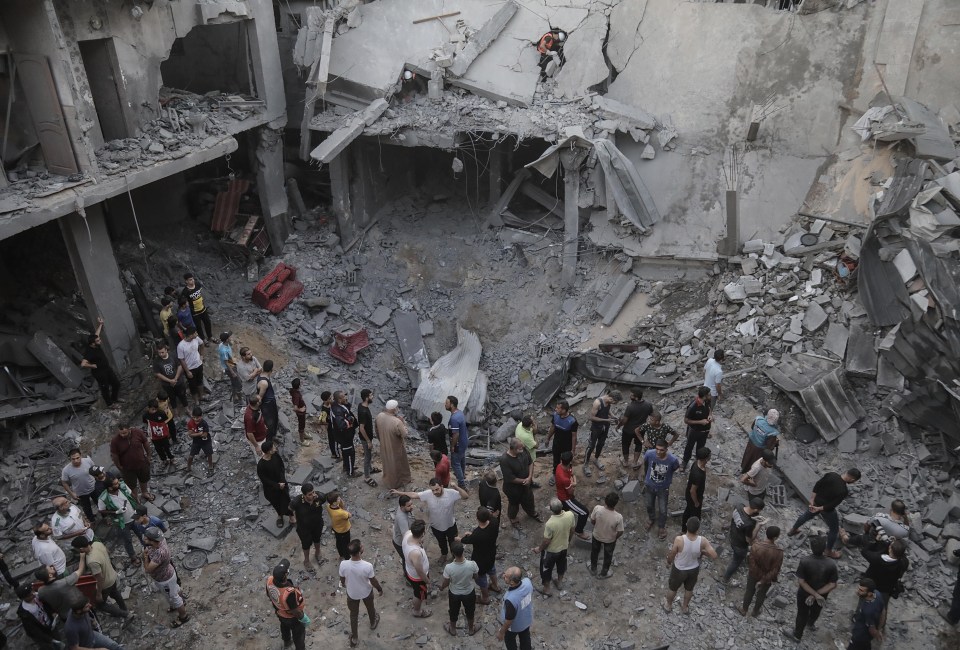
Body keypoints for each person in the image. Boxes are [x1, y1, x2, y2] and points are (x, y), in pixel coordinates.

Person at [788, 468, 861, 558]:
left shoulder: (831, 475)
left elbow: (818, 485)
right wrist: (819, 509)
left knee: (806, 516)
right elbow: (832, 505)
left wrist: (812, 500)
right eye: (854, 481)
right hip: (826, 510)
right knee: (834, 530)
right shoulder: (843, 490)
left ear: (847, 472)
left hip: (816, 502)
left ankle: (793, 530)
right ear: (852, 480)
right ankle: (828, 551)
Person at [392, 479, 469, 563]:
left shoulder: (451, 493)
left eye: (437, 489)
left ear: (442, 486)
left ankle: (455, 556)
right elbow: (414, 495)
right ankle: (444, 554)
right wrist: (400, 493)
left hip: (450, 525)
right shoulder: (428, 494)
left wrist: (456, 487)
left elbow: (465, 496)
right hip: (436, 526)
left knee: (453, 542)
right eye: (433, 490)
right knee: (441, 542)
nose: (434, 492)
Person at [783, 536, 838, 642]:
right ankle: (810, 623)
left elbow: (801, 581)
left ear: (811, 548)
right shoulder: (831, 564)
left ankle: (797, 635)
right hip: (823, 594)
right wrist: (817, 595)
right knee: (817, 609)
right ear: (824, 548)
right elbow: (832, 584)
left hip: (804, 594)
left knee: (802, 613)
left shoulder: (805, 561)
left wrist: (813, 594)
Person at [664, 516, 718, 614]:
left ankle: (668, 605)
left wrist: (669, 561)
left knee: (673, 588)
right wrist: (703, 552)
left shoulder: (679, 539)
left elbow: (673, 553)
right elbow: (714, 555)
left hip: (679, 569)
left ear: (686, 525)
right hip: (693, 569)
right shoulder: (703, 540)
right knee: (689, 589)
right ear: (698, 529)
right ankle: (685, 607)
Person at [70, 536, 128, 619]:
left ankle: (125, 614)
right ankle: (124, 609)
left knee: (101, 605)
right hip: (112, 575)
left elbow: (100, 578)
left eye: (77, 549)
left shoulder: (91, 561)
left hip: (105, 584)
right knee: (115, 593)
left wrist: (99, 593)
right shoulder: (97, 544)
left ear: (81, 549)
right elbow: (107, 552)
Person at [143, 527, 189, 627]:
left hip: (164, 579)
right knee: (175, 590)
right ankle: (180, 603)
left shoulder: (159, 553)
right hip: (170, 572)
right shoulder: (161, 540)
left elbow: (148, 569)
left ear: (152, 541)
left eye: (146, 538)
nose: (144, 539)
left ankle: (183, 616)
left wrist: (146, 557)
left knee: (173, 597)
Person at [339, 539, 382, 647]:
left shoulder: (343, 564)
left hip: (352, 593)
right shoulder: (367, 566)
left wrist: (344, 584)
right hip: (366, 592)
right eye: (362, 546)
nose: (363, 546)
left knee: (353, 615)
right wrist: (379, 588)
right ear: (359, 552)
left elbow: (342, 578)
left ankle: (354, 638)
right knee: (370, 608)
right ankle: (373, 622)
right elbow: (373, 581)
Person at [861, 539, 908, 629]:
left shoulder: (877, 559)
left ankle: (859, 618)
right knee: (883, 608)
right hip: (886, 589)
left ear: (890, 549)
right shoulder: (903, 563)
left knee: (864, 601)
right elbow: (901, 556)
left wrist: (876, 542)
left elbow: (865, 551)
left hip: (871, 585)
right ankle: (880, 626)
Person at [531, 498, 574, 596]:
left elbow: (546, 541)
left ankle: (547, 589)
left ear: (551, 509)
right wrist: (568, 541)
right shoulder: (570, 515)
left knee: (546, 568)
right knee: (561, 564)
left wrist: (539, 549)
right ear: (562, 506)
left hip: (552, 551)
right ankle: (559, 583)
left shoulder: (550, 523)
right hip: (564, 547)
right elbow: (572, 530)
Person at [458, 507, 501, 604]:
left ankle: (485, 598)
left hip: (480, 561)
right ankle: (495, 586)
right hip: (491, 554)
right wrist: (472, 535)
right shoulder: (494, 522)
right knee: (492, 570)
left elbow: (466, 540)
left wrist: (459, 539)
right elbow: (476, 537)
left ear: (477, 519)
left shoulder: (477, 534)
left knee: (481, 579)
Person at [739, 526, 784, 617]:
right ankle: (755, 612)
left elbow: (751, 563)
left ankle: (744, 609)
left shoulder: (756, 546)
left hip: (753, 575)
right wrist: (763, 580)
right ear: (775, 538)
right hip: (766, 578)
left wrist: (757, 575)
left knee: (749, 591)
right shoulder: (779, 552)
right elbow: (775, 570)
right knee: (761, 595)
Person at [642, 438, 680, 540]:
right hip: (650, 485)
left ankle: (661, 526)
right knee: (649, 505)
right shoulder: (649, 454)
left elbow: (676, 468)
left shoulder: (672, 460)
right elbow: (646, 464)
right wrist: (647, 477)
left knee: (663, 510)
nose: (658, 452)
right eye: (657, 449)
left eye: (662, 450)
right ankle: (651, 518)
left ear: (666, 449)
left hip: (663, 488)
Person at [97, 475, 139, 565]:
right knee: (127, 540)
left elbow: (131, 494)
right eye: (116, 484)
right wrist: (115, 512)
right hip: (122, 523)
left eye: (117, 482)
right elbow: (101, 510)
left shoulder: (123, 486)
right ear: (110, 488)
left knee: (141, 533)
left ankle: (149, 549)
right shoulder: (103, 498)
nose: (118, 484)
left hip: (134, 517)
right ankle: (133, 557)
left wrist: (138, 506)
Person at [266, 559, 306, 650]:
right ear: (285, 576)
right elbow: (295, 611)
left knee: (284, 626)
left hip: (279, 612)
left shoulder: (269, 581)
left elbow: (269, 595)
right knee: (298, 635)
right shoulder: (289, 593)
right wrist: (303, 618)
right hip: (292, 618)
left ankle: (287, 642)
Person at [723, 497, 766, 583]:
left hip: (732, 535)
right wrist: (758, 526)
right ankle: (726, 578)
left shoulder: (739, 506)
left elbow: (740, 517)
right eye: (759, 511)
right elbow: (749, 540)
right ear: (756, 510)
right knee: (736, 562)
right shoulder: (749, 524)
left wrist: (754, 517)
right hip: (740, 545)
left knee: (735, 555)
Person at [441, 542, 479, 637]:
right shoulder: (472, 564)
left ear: (453, 553)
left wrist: (441, 587)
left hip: (454, 593)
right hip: (469, 592)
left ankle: (452, 629)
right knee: (470, 611)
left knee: (453, 611)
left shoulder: (449, 568)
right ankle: (471, 629)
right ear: (463, 551)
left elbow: (446, 582)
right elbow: (476, 577)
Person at [500, 438, 540, 528]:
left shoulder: (523, 450)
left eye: (522, 448)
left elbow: (530, 463)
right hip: (513, 489)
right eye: (519, 449)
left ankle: (531, 512)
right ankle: (513, 518)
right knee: (514, 504)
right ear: (513, 448)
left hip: (526, 485)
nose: (522, 450)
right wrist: (524, 481)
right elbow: (510, 478)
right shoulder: (505, 460)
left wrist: (529, 477)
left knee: (529, 499)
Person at [80, 317, 120, 405]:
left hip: (107, 369)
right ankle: (110, 404)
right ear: (93, 343)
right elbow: (83, 364)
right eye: (98, 341)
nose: (100, 341)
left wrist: (101, 324)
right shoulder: (89, 351)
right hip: (100, 373)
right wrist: (92, 366)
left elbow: (96, 334)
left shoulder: (96, 343)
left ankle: (114, 399)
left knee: (116, 383)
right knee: (105, 388)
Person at [841, 499, 910, 550]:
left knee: (861, 538)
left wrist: (866, 533)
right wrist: (905, 518)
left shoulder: (879, 517)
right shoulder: (904, 530)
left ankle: (846, 539)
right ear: (903, 513)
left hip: (873, 541)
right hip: (886, 547)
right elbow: (907, 527)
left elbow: (867, 525)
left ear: (891, 509)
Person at [35, 556, 87, 622]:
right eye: (50, 568)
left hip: (64, 616)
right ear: (50, 575)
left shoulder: (41, 591)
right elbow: (80, 570)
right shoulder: (66, 582)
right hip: (79, 612)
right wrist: (82, 557)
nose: (52, 567)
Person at [258, 440, 294, 529]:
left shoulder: (275, 456)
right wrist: (277, 485)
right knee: (276, 503)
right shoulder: (261, 465)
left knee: (286, 499)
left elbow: (282, 467)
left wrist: (282, 481)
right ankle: (280, 515)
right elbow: (265, 480)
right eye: (273, 447)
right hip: (271, 489)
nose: (275, 448)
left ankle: (291, 516)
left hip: (282, 484)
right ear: (269, 451)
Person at [376, 400, 412, 489]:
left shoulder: (379, 416)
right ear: (394, 409)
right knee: (398, 465)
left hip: (384, 445)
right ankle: (398, 482)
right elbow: (405, 434)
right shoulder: (397, 422)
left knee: (387, 464)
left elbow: (376, 430)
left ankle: (387, 479)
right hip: (395, 448)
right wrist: (403, 423)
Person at [584, 390, 621, 475]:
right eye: (614, 402)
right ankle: (585, 465)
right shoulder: (598, 403)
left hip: (605, 427)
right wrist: (606, 420)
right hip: (596, 427)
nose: (614, 403)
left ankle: (596, 459)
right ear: (611, 398)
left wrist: (614, 417)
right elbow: (592, 417)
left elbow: (608, 410)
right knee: (591, 446)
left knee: (601, 444)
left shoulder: (608, 402)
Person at [555, 451, 590, 541]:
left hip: (562, 493)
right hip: (566, 498)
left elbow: (571, 474)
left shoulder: (560, 466)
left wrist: (572, 481)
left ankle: (563, 525)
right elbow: (570, 492)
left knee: (565, 512)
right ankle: (578, 531)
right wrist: (574, 483)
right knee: (584, 512)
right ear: (570, 461)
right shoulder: (564, 479)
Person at [290, 483, 325, 570]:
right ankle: (306, 560)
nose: (313, 495)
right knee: (306, 544)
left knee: (317, 539)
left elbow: (325, 500)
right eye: (310, 494)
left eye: (313, 492)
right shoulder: (297, 501)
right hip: (304, 528)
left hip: (317, 524)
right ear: (304, 495)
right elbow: (290, 508)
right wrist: (293, 518)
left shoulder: (320, 497)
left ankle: (318, 552)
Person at [589, 491, 624, 579]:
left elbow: (592, 521)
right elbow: (620, 531)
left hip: (597, 535)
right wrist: (614, 537)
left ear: (605, 501)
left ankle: (593, 569)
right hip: (610, 540)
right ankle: (604, 573)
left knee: (594, 552)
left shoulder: (597, 509)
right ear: (615, 504)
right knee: (608, 556)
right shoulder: (618, 517)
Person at [498, 566, 534, 650]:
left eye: (506, 576)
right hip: (526, 620)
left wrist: (501, 632)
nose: (503, 576)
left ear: (512, 582)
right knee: (525, 637)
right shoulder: (527, 582)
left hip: (514, 627)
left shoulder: (510, 599)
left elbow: (509, 621)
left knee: (510, 641)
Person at [402, 519, 432, 618]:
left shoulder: (408, 533)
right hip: (418, 578)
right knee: (419, 595)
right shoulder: (415, 553)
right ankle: (417, 611)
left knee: (417, 591)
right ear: (422, 533)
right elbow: (419, 571)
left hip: (409, 570)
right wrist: (427, 581)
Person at [16, 583, 60, 648]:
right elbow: (33, 630)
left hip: (51, 623)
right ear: (23, 598)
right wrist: (48, 639)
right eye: (29, 595)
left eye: (32, 591)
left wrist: (52, 612)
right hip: (42, 631)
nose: (33, 594)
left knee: (58, 640)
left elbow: (46, 604)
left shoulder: (36, 596)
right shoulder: (24, 612)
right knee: (49, 646)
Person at [681, 386, 713, 472]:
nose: (711, 396)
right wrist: (700, 422)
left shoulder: (707, 401)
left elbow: (710, 409)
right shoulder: (693, 406)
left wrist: (710, 415)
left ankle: (698, 464)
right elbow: (686, 420)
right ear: (705, 396)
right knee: (689, 447)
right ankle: (684, 462)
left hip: (705, 431)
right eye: (709, 394)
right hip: (694, 431)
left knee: (700, 448)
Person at [61, 448, 98, 522]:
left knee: (100, 503)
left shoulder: (88, 461)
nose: (76, 461)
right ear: (70, 459)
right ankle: (92, 521)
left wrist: (99, 482)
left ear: (81, 456)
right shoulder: (66, 470)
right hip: (80, 493)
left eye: (77, 458)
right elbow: (64, 482)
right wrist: (71, 494)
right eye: (73, 459)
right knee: (87, 509)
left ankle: (106, 517)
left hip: (94, 487)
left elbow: (95, 470)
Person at [619, 388, 653, 468]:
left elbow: (624, 420)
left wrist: (619, 425)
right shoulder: (648, 404)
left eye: (631, 394)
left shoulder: (630, 407)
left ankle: (626, 462)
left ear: (636, 397)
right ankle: (635, 463)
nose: (629, 395)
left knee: (625, 445)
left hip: (628, 430)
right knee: (638, 445)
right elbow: (651, 415)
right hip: (641, 429)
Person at [546, 400, 578, 484]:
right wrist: (548, 438)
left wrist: (573, 450)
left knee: (567, 461)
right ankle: (555, 474)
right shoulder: (555, 416)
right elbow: (553, 428)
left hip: (567, 446)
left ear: (563, 410)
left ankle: (568, 474)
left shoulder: (572, 421)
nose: (556, 409)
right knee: (556, 460)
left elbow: (574, 436)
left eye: (558, 408)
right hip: (557, 443)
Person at [848, 578, 884, 650]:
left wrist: (876, 634)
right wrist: (879, 629)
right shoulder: (877, 594)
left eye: (861, 590)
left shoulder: (868, 610)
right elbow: (883, 612)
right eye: (859, 588)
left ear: (869, 593)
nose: (857, 591)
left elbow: (872, 629)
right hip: (866, 637)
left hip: (860, 635)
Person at [740, 409, 780, 473]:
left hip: (751, 442)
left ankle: (743, 467)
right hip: (758, 449)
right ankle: (749, 472)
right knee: (753, 460)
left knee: (747, 455)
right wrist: (775, 443)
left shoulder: (758, 419)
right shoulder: (773, 432)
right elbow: (769, 447)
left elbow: (752, 427)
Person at [152, 343, 188, 413]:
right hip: (167, 384)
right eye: (159, 353)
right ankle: (176, 412)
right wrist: (170, 381)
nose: (161, 354)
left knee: (182, 395)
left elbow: (179, 366)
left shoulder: (173, 355)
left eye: (162, 352)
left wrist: (175, 379)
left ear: (166, 350)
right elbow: (158, 373)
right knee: (171, 397)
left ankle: (187, 409)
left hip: (178, 381)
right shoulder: (156, 361)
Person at [682, 447, 710, 533]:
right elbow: (692, 491)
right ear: (706, 458)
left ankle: (683, 529)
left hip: (691, 494)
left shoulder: (696, 463)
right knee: (695, 516)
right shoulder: (698, 474)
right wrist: (696, 502)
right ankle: (689, 532)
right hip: (694, 497)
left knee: (688, 510)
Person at [330, 390, 358, 477]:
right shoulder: (337, 411)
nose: (346, 397)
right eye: (343, 397)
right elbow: (341, 425)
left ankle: (347, 466)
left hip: (345, 435)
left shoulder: (338, 406)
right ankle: (351, 472)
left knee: (346, 451)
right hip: (345, 436)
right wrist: (351, 419)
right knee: (349, 453)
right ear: (339, 400)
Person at [143, 399, 175, 471]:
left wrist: (168, 432)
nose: (154, 411)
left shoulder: (161, 413)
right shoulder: (145, 415)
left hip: (162, 434)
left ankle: (171, 457)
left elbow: (165, 422)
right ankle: (164, 460)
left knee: (166, 446)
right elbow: (145, 423)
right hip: (154, 435)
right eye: (152, 409)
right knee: (158, 448)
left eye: (155, 409)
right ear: (148, 408)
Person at [176, 326, 205, 406]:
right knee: (192, 385)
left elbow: (202, 344)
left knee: (200, 381)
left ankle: (202, 396)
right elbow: (181, 359)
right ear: (190, 335)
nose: (196, 334)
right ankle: (196, 400)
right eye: (195, 333)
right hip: (190, 368)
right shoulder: (181, 346)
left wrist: (202, 356)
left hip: (199, 364)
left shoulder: (196, 339)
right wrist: (187, 371)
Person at [181, 272, 212, 342]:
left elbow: (200, 294)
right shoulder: (185, 291)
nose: (192, 281)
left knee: (208, 322)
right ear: (186, 281)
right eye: (190, 280)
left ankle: (210, 336)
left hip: (203, 308)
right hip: (195, 312)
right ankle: (203, 339)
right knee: (198, 326)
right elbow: (184, 301)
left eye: (192, 279)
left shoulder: (197, 284)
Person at [446, 395, 469, 488]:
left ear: (452, 405)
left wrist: (452, 446)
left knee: (455, 464)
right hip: (464, 442)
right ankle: (462, 476)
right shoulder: (460, 413)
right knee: (462, 460)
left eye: (446, 403)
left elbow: (456, 434)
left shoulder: (454, 418)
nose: (445, 405)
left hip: (458, 444)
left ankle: (461, 484)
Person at [256, 360, 280, 443]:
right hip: (267, 406)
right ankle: (269, 442)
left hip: (270, 403)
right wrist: (257, 409)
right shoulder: (264, 383)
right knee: (270, 423)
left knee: (275, 419)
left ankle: (273, 436)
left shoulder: (264, 376)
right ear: (271, 369)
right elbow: (260, 397)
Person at [186, 406, 215, 473]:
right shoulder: (190, 423)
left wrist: (194, 434)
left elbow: (205, 435)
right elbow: (190, 435)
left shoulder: (204, 423)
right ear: (192, 416)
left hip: (206, 441)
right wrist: (199, 434)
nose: (196, 419)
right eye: (194, 417)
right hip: (196, 442)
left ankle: (210, 466)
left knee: (209, 454)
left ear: (201, 416)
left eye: (198, 417)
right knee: (191, 455)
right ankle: (188, 468)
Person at [356, 388, 376, 484]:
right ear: (366, 398)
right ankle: (367, 477)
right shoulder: (363, 412)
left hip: (367, 436)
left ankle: (370, 469)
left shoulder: (361, 405)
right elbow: (361, 428)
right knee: (367, 456)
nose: (372, 397)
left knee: (369, 454)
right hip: (365, 438)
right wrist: (368, 441)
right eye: (371, 395)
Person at [326, 491, 352, 560]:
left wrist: (338, 502)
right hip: (344, 530)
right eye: (338, 499)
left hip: (336, 528)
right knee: (346, 544)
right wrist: (341, 503)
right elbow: (349, 515)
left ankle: (341, 555)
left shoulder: (328, 506)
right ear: (334, 502)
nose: (339, 499)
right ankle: (347, 557)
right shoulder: (341, 513)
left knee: (339, 542)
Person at [218, 332, 242, 404]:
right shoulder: (223, 351)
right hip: (229, 368)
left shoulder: (223, 344)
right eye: (229, 337)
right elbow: (226, 362)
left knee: (233, 382)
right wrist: (232, 372)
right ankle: (240, 399)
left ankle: (234, 397)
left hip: (232, 364)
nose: (230, 338)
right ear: (227, 339)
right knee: (238, 384)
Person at [392, 495, 415, 567]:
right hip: (401, 543)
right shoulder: (402, 519)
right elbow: (406, 536)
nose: (412, 507)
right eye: (409, 506)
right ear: (402, 507)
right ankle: (408, 574)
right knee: (407, 560)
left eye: (411, 504)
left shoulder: (404, 508)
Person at [244, 395, 268, 463]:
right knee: (261, 458)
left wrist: (263, 426)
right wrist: (256, 446)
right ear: (257, 403)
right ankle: (262, 470)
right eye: (259, 399)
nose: (261, 399)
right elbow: (249, 433)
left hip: (261, 435)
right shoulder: (250, 417)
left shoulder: (254, 407)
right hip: (258, 440)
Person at [289, 378, 311, 447]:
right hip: (300, 414)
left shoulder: (294, 391)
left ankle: (304, 434)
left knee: (303, 424)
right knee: (301, 426)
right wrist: (300, 410)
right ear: (299, 385)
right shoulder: (296, 395)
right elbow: (295, 408)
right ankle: (302, 440)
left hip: (302, 412)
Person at [319, 391, 338, 459]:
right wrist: (329, 422)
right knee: (333, 440)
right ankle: (335, 454)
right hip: (331, 427)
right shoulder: (324, 409)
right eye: (329, 398)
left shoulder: (331, 404)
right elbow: (322, 420)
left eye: (331, 397)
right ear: (325, 400)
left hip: (335, 425)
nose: (331, 399)